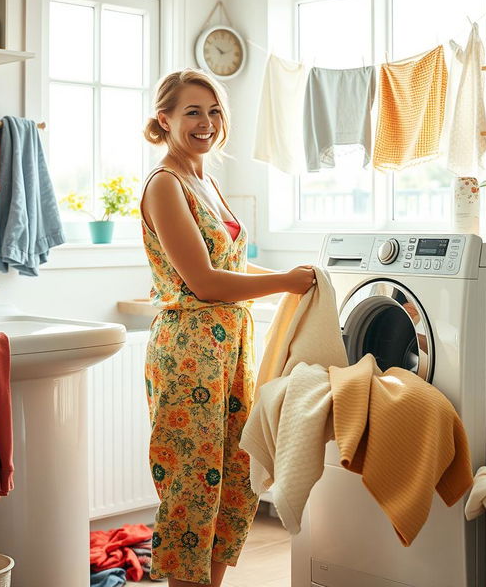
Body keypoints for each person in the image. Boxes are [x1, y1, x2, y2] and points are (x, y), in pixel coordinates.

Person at [140, 68, 315, 587]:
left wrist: (294, 281)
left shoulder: (205, 181)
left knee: (234, 478)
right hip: (189, 351)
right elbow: (205, 283)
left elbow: (229, 267)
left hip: (230, 347)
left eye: (214, 111)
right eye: (192, 111)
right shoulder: (166, 185)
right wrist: (284, 280)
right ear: (164, 119)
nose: (206, 122)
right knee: (192, 485)